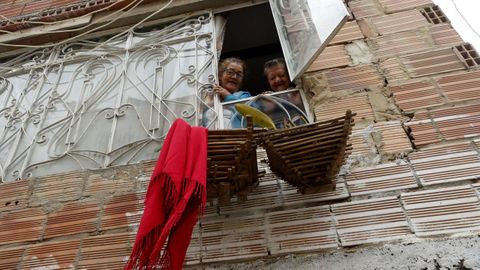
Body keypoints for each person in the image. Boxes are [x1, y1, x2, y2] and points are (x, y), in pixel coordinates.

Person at [203, 57, 251, 128]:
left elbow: (249, 117)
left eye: (239, 74)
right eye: (230, 72)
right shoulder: (208, 95)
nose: (234, 77)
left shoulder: (244, 96)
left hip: (234, 138)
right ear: (220, 75)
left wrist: (227, 95)